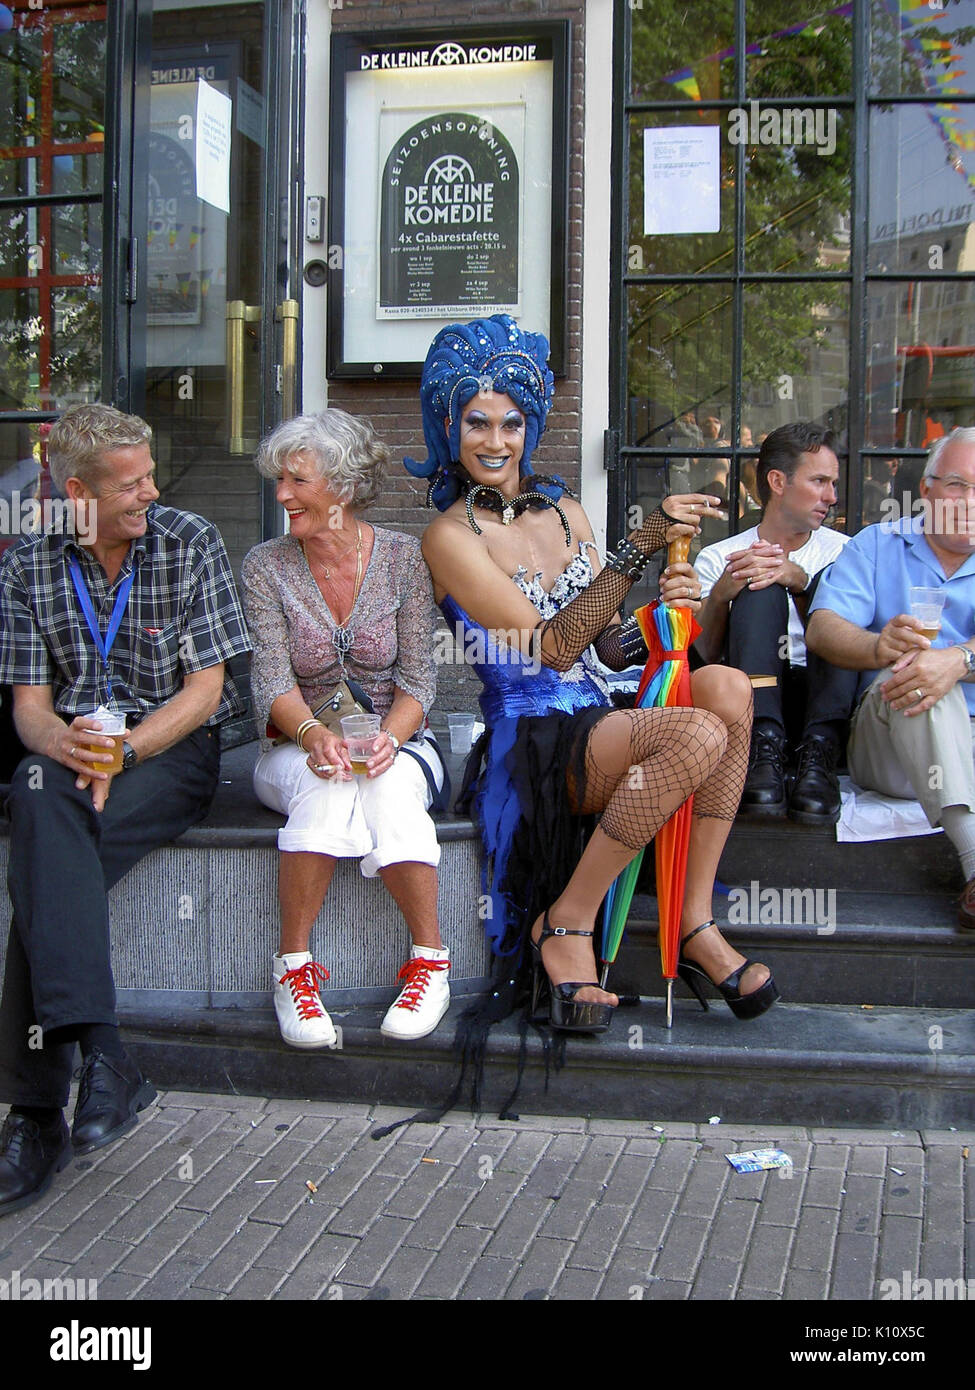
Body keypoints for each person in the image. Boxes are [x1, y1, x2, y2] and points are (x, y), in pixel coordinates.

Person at [406, 315, 778, 1034]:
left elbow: (602, 649)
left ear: (531, 427)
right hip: (536, 735)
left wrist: (663, 618)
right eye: (475, 422)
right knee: (696, 732)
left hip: (600, 709)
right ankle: (565, 923)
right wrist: (636, 548)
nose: (494, 440)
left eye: (510, 423)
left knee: (727, 687)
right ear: (447, 427)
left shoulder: (569, 511)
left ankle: (692, 920)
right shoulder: (448, 536)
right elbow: (548, 649)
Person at [0, 403, 251, 1216]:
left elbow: (206, 690)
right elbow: (30, 709)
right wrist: (63, 746)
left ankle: (33, 1114)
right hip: (72, 759)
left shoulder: (188, 540)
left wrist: (128, 751)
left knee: (42, 853)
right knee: (37, 798)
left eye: (150, 474)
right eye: (132, 484)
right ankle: (106, 1061)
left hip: (168, 752)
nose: (151, 492)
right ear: (78, 492)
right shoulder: (26, 565)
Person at [241, 410, 449, 1049]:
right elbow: (271, 679)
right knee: (329, 780)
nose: (281, 495)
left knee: (381, 786)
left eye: (296, 481)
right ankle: (293, 972)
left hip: (402, 743)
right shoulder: (265, 566)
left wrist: (389, 737)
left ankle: (430, 965)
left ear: (343, 485)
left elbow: (421, 677)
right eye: (279, 480)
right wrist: (312, 736)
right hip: (291, 746)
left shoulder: (402, 558)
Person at [806, 427, 975, 930]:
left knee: (938, 669)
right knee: (916, 676)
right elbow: (822, 627)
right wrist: (878, 646)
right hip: (892, 749)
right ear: (926, 491)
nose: (970, 500)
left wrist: (960, 659)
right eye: (958, 485)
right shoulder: (879, 544)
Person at [693, 422, 857, 824]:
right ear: (777, 481)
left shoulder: (850, 553)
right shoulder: (720, 557)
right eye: (819, 481)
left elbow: (858, 642)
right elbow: (703, 655)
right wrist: (720, 594)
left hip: (826, 702)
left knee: (826, 584)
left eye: (832, 484)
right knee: (757, 585)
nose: (831, 497)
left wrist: (800, 583)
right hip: (753, 704)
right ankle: (762, 749)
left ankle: (820, 752)